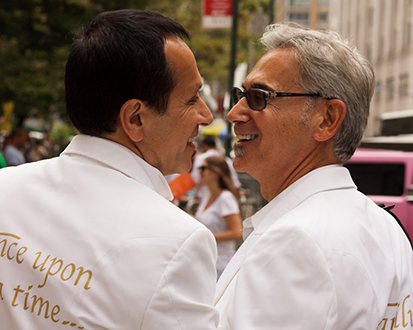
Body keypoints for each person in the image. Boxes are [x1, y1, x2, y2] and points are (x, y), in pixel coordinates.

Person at [0, 10, 219, 330]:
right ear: (135, 119)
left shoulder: (5, 187)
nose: (206, 115)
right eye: (192, 98)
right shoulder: (178, 242)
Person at [215, 22, 413, 330]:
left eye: (259, 96)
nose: (235, 113)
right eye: (240, 95)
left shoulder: (296, 240)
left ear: (327, 119)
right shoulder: (384, 226)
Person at [195, 156, 243, 278]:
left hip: (220, 264)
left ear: (216, 173)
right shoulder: (207, 194)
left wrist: (208, 237)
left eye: (203, 168)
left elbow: (237, 232)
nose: (199, 171)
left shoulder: (225, 198)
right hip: (206, 262)